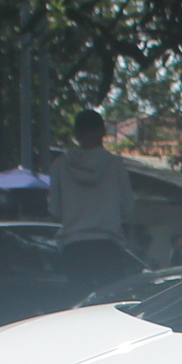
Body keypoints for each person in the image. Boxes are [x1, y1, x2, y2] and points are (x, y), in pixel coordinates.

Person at [48, 110, 141, 292]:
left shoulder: (59, 166)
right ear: (103, 132)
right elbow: (128, 209)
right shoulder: (115, 165)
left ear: (76, 134)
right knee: (108, 304)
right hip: (107, 247)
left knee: (79, 306)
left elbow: (55, 211)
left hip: (73, 247)